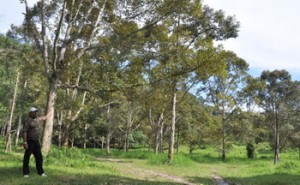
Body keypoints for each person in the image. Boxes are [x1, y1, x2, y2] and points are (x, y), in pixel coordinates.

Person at [22, 107, 51, 178]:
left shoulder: (37, 119)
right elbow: (24, 131)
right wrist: (25, 142)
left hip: (36, 141)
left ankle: (40, 172)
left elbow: (44, 118)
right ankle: (26, 173)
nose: (36, 113)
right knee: (27, 157)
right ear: (30, 113)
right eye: (34, 112)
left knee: (39, 157)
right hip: (29, 141)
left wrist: (49, 113)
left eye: (36, 112)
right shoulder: (28, 121)